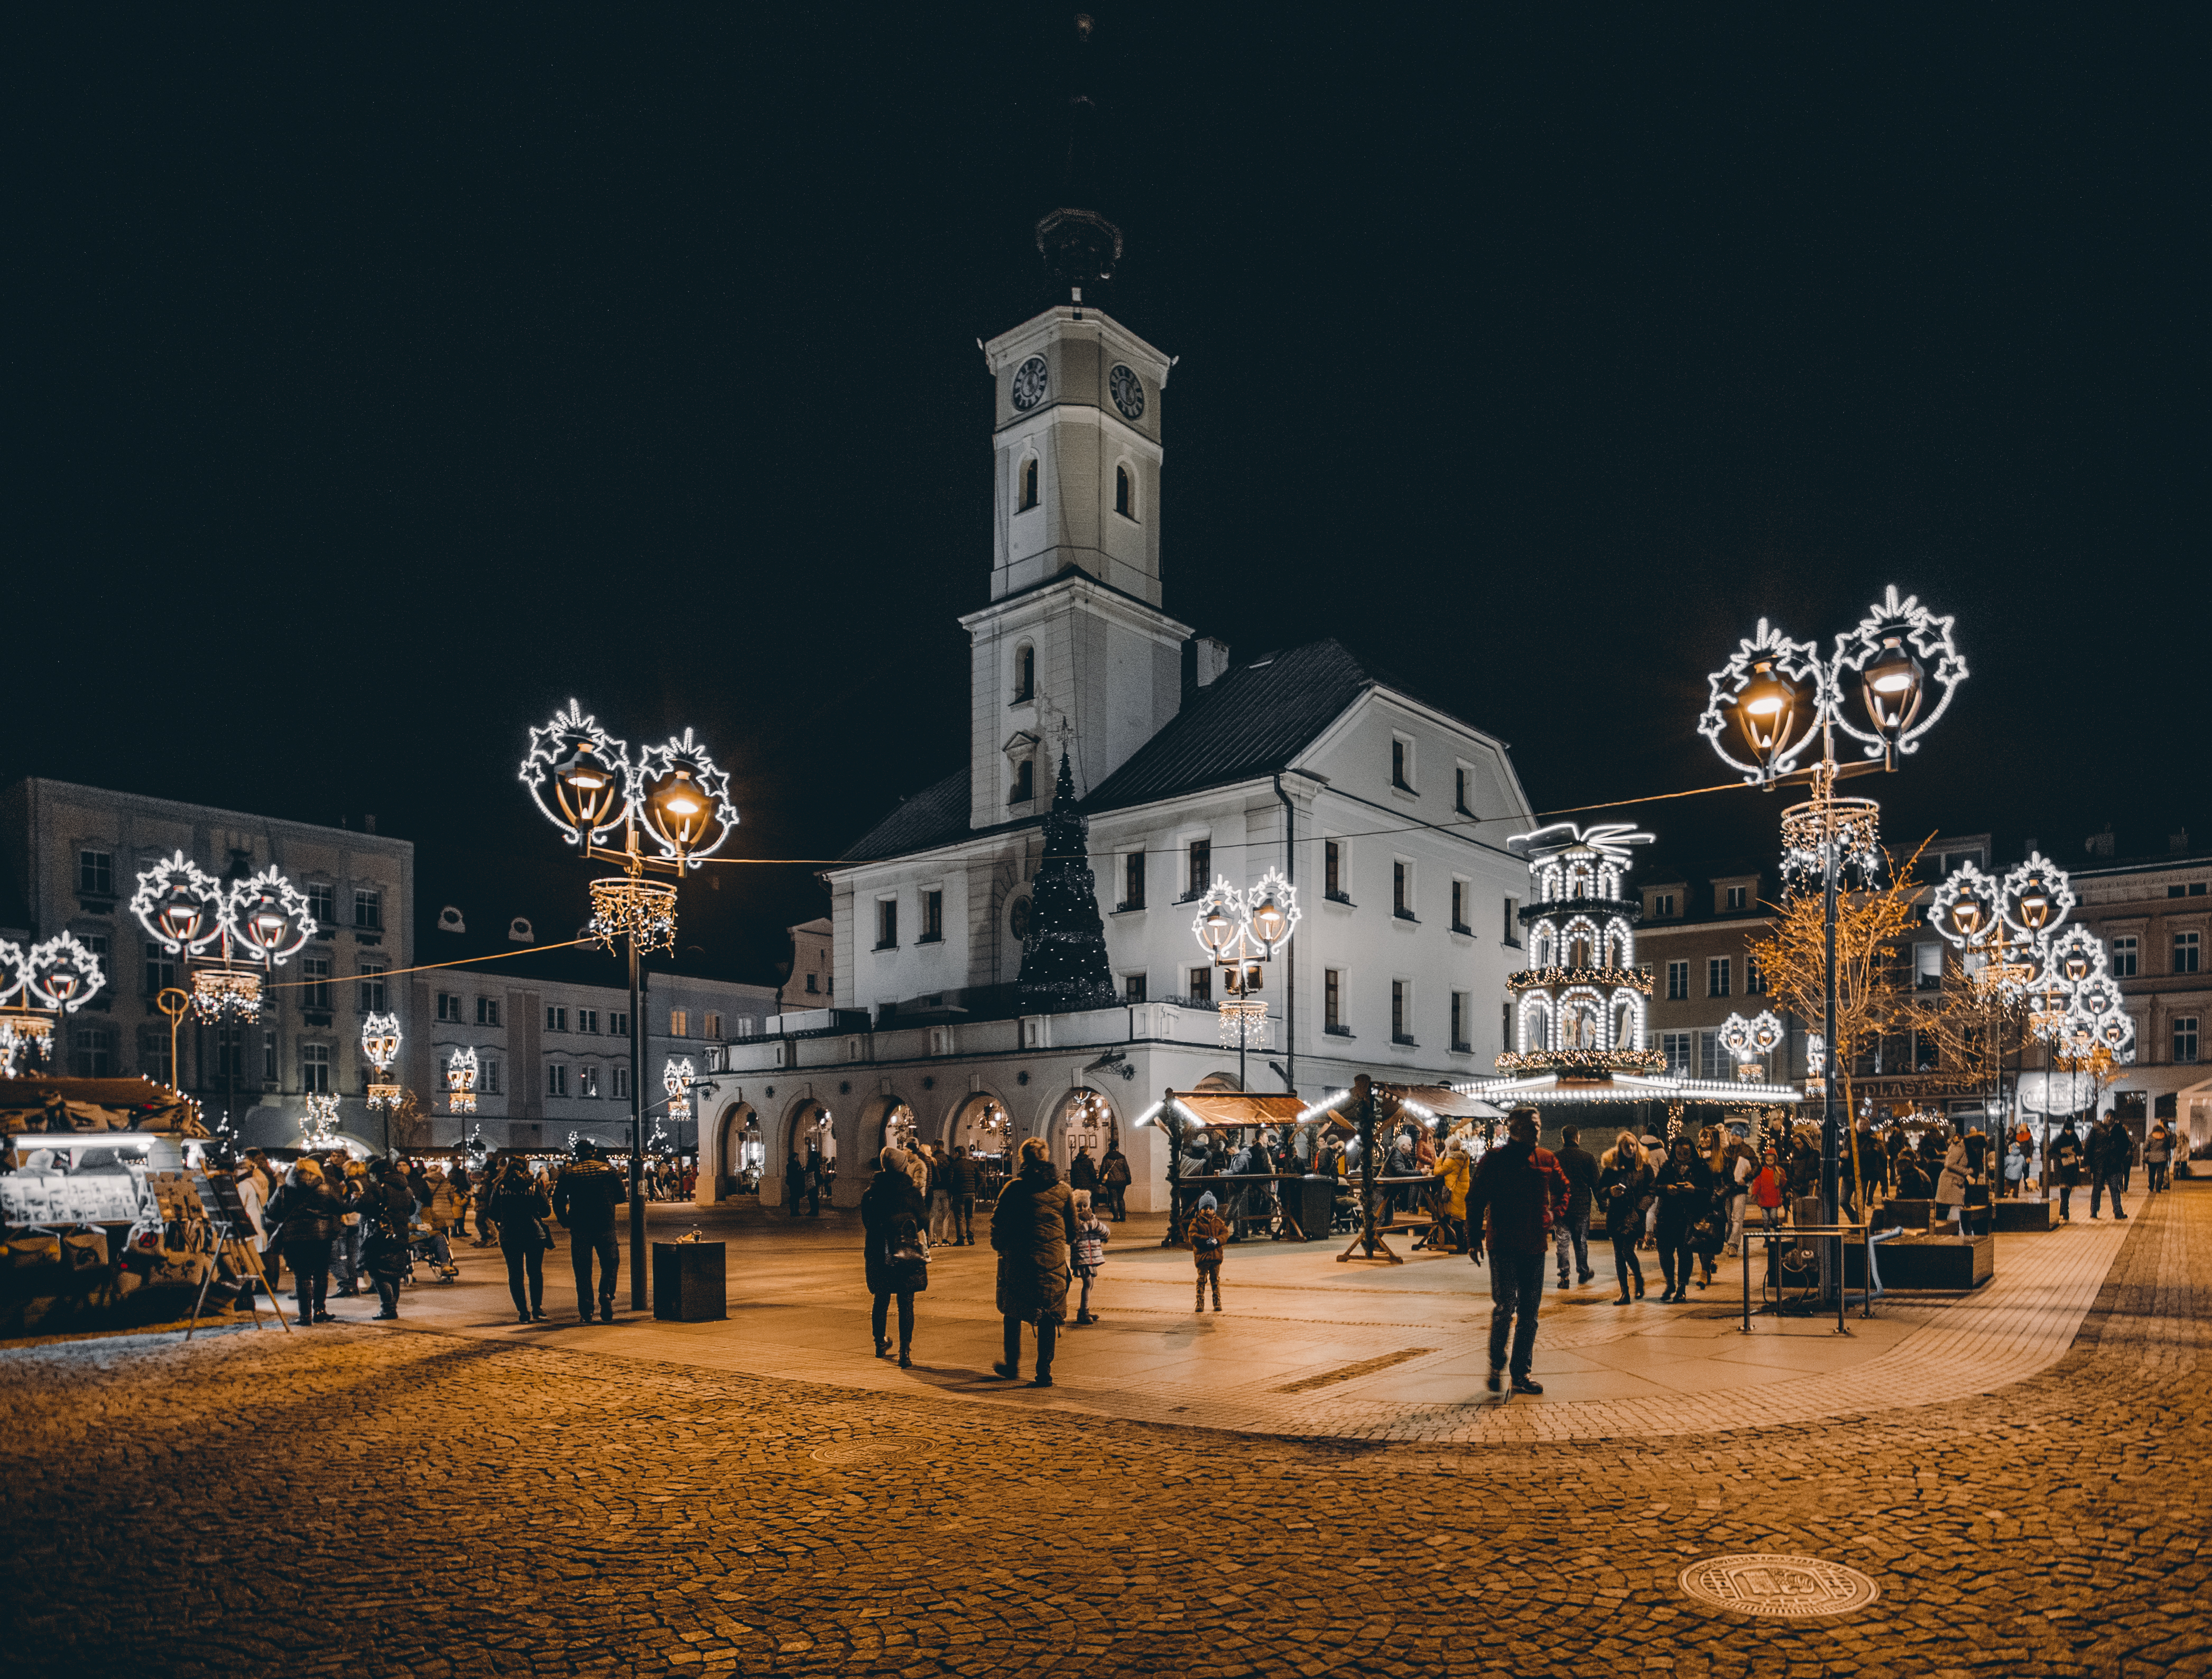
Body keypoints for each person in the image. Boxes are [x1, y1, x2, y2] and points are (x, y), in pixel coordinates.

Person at [1464, 1108, 1568, 1397]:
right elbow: (1475, 1199)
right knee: (1505, 1306)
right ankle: (1497, 1363)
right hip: (1504, 1246)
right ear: (1514, 1129)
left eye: (1539, 1125)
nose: (1537, 1130)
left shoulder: (1546, 1159)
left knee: (1530, 1314)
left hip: (1534, 1246)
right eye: (1531, 1126)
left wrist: (1554, 1214)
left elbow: (1564, 1188)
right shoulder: (1495, 1160)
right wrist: (1472, 1238)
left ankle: (1521, 1373)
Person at [991, 1137, 1075, 1387]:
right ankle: (1044, 1371)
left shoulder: (1013, 1189)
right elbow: (1073, 1231)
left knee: (1013, 1310)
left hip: (1019, 1260)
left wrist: (1000, 1245)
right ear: (1046, 1157)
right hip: (1052, 1261)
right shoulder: (1063, 1190)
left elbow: (998, 1223)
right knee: (1049, 1312)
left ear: (1023, 1158)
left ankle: (1012, 1364)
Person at [861, 1147, 929, 1368]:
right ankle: (905, 1352)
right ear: (902, 1166)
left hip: (880, 1251)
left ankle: (880, 1343)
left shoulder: (871, 1193)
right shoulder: (911, 1193)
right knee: (906, 1302)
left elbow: (868, 1223)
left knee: (881, 1299)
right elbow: (923, 1220)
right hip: (905, 1252)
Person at [263, 1160, 345, 1326]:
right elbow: (340, 1207)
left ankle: (305, 1315)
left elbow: (270, 1212)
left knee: (302, 1276)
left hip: (295, 1238)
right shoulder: (325, 1188)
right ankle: (320, 1311)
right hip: (322, 1237)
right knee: (321, 1273)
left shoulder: (284, 1190)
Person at [554, 1140, 626, 1322]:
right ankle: (607, 1293)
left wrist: (565, 1221)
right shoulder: (609, 1171)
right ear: (593, 1152)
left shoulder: (569, 1173)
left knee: (582, 1270)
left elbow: (558, 1200)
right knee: (610, 1264)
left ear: (577, 1153)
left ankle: (586, 1311)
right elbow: (621, 1197)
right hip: (605, 1224)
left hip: (580, 1226)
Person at [487, 1155, 552, 1323]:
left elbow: (492, 1211)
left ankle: (523, 1312)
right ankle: (537, 1309)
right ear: (526, 1166)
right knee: (535, 1273)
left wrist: (503, 1217)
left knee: (515, 1274)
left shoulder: (500, 1185)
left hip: (509, 1233)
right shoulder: (534, 1185)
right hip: (534, 1232)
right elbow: (546, 1211)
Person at [1652, 1136, 1715, 1303]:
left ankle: (1681, 1286)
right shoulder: (1667, 1167)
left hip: (1689, 1216)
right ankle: (1669, 1283)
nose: (1682, 1155)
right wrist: (1667, 1188)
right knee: (1665, 1253)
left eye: (1685, 1152)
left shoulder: (1701, 1167)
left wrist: (1694, 1190)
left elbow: (1709, 1191)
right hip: (1667, 1215)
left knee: (1685, 1253)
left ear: (1691, 1151)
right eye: (1679, 1152)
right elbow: (1655, 1187)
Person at [1596, 1130, 1653, 1304]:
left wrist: (1641, 1210)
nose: (1630, 1148)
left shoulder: (1644, 1167)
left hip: (1635, 1215)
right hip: (1617, 1215)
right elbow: (1600, 1190)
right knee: (1618, 1255)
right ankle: (1624, 1292)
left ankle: (1638, 1278)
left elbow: (1651, 1192)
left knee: (1627, 1250)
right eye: (1626, 1145)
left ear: (1637, 1146)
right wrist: (1610, 1192)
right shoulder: (1612, 1168)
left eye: (1633, 1144)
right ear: (1620, 1147)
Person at [1552, 1124, 1599, 1287]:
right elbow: (1596, 1184)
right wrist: (1602, 1204)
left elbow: (1550, 1183)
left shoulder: (1555, 1158)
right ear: (1578, 1137)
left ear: (1563, 1138)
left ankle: (1564, 1277)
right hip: (1581, 1207)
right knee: (1581, 1242)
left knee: (1562, 1243)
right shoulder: (1587, 1158)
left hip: (1561, 1208)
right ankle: (1583, 1272)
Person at [1070, 1188, 1109, 1324]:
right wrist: (1082, 1224)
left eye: (1085, 1206)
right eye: (1078, 1206)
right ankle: (1083, 1313)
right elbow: (1073, 1239)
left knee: (1091, 1284)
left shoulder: (1093, 1221)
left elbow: (1106, 1233)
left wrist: (1092, 1222)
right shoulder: (1074, 1223)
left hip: (1093, 1257)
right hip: (1082, 1258)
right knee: (1087, 1283)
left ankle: (1084, 1310)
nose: (1082, 1209)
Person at [1188, 1189, 1230, 1312]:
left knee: (1215, 1280)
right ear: (1200, 1209)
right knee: (1201, 1279)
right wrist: (1207, 1240)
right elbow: (1193, 1236)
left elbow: (1225, 1234)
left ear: (1214, 1209)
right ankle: (1200, 1301)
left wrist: (1218, 1240)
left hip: (1216, 1257)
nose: (1208, 1211)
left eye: (1211, 1208)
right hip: (1202, 1257)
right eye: (1205, 1208)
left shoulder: (1219, 1222)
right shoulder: (1196, 1222)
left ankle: (1217, 1301)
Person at [1427, 1137, 1471, 1253]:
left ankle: (1461, 1246)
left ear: (1450, 1147)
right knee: (1461, 1219)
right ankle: (1464, 1244)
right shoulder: (1464, 1158)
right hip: (1463, 1191)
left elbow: (1438, 1171)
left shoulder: (1451, 1160)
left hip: (1455, 1191)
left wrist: (1440, 1157)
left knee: (1455, 1219)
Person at [2088, 1111, 2128, 1221]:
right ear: (2104, 1117)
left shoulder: (2119, 1130)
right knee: (2097, 1189)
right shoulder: (2096, 1129)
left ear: (2115, 1119)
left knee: (2115, 1189)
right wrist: (2088, 1163)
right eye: (2107, 1116)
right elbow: (2089, 1146)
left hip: (2114, 1165)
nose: (2109, 1118)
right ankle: (2094, 1211)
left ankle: (2118, 1212)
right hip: (2099, 1163)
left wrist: (2119, 1156)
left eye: (2112, 1117)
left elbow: (2126, 1144)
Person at [1935, 1134, 1973, 1238]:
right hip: (1952, 1182)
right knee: (1955, 1207)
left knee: (1956, 1208)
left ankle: (1956, 1233)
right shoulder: (1960, 1148)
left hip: (1956, 1181)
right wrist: (1967, 1171)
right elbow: (1949, 1164)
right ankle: (1956, 1235)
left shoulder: (1962, 1148)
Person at [2049, 1121, 2086, 1221]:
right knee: (2064, 1188)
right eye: (2067, 1130)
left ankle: (2062, 1209)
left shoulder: (2075, 1138)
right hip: (2062, 1168)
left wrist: (2076, 1151)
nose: (2069, 1132)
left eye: (2071, 1130)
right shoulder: (2059, 1139)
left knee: (2069, 1188)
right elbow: (2050, 1151)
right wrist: (2060, 1156)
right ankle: (2066, 1211)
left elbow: (2080, 1150)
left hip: (2072, 1167)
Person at [947, 1143, 980, 1244]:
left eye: (954, 1153)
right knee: (970, 1217)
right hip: (971, 1194)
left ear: (957, 1153)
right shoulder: (972, 1164)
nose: (953, 1155)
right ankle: (971, 1237)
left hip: (959, 1194)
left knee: (959, 1218)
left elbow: (950, 1180)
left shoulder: (954, 1165)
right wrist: (975, 1189)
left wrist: (952, 1191)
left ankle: (961, 1239)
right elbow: (980, 1178)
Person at [1100, 1143, 1131, 1222]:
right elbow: (1126, 1170)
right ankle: (1123, 1217)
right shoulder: (1122, 1157)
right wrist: (1129, 1180)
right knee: (1120, 1199)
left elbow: (1103, 1170)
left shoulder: (1106, 1158)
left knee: (1113, 1199)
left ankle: (1115, 1217)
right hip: (1122, 1181)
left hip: (1111, 1182)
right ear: (1117, 1148)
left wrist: (1101, 1180)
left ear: (1109, 1148)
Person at [2144, 1123, 2172, 1194]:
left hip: (2152, 1159)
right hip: (2162, 1158)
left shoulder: (2150, 1137)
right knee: (2160, 1174)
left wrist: (2150, 1151)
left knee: (2152, 1174)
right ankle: (2158, 1188)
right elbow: (2168, 1147)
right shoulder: (2165, 1138)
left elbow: (2145, 1147)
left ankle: (2151, 1187)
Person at [2003, 1136, 2030, 1200]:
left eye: (2010, 1148)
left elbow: (2005, 1164)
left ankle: (2007, 1192)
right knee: (2016, 1187)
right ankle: (2015, 1197)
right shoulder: (2022, 1157)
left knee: (2007, 1185)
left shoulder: (2008, 1157)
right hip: (2018, 1176)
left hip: (2009, 1175)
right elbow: (2024, 1165)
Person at [785, 1150, 806, 1218]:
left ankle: (796, 1211)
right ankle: (793, 1211)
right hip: (794, 1182)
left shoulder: (795, 1164)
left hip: (796, 1182)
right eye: (796, 1157)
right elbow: (793, 1173)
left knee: (796, 1197)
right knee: (794, 1197)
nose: (797, 1159)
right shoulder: (792, 1165)